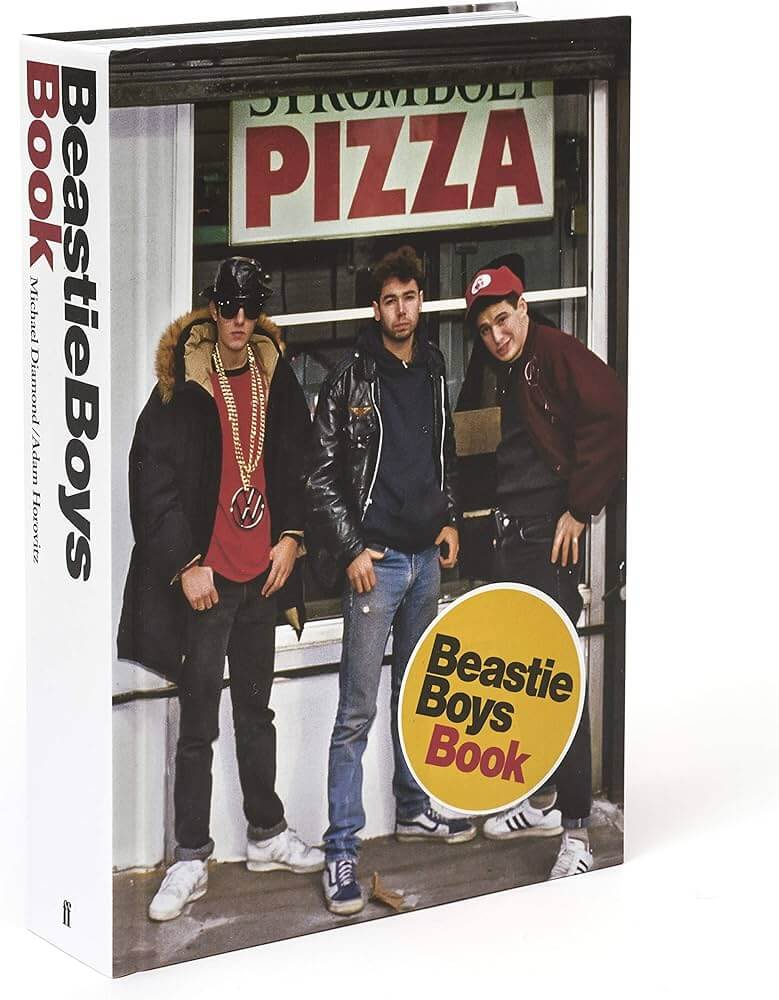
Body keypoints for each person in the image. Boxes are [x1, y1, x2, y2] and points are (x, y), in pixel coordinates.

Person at [117, 257, 323, 922]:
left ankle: (266, 834)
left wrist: (291, 537)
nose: (238, 320)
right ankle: (189, 857)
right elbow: (150, 478)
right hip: (209, 584)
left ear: (259, 312)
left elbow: (299, 460)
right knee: (197, 722)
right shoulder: (182, 384)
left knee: (256, 713)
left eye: (249, 308)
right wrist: (185, 564)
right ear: (213, 308)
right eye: (228, 307)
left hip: (262, 576)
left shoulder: (273, 375)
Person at [307, 246, 475, 916]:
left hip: (425, 559)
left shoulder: (433, 366)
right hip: (376, 566)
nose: (400, 310)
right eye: (389, 300)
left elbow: (444, 453)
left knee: (416, 693)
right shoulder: (349, 379)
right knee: (356, 711)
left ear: (419, 302)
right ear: (374, 309)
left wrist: (450, 518)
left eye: (409, 298)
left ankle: (412, 810)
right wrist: (350, 549)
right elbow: (320, 475)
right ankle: (341, 849)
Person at [463, 260, 627, 879]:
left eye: (503, 319)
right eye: (485, 328)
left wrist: (581, 509)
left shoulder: (554, 350)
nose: (496, 335)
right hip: (515, 542)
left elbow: (612, 410)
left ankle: (577, 834)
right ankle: (546, 798)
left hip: (547, 547)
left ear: (523, 307)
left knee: (559, 683)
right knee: (528, 679)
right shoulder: (511, 366)